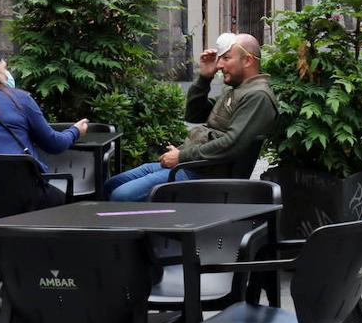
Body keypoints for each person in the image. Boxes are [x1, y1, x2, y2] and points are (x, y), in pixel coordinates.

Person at [104, 33, 278, 202]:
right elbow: (195, 114)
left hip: (206, 177)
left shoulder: (258, 96)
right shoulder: (238, 90)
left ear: (247, 60)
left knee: (121, 196)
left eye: (226, 58)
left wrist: (181, 157)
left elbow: (231, 144)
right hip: (193, 166)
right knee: (111, 185)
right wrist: (204, 77)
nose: (219, 65)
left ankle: (148, 231)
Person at [0, 50, 89, 205]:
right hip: (20, 198)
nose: (8, 74)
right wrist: (75, 131)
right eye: (4, 68)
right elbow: (54, 144)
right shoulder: (19, 99)